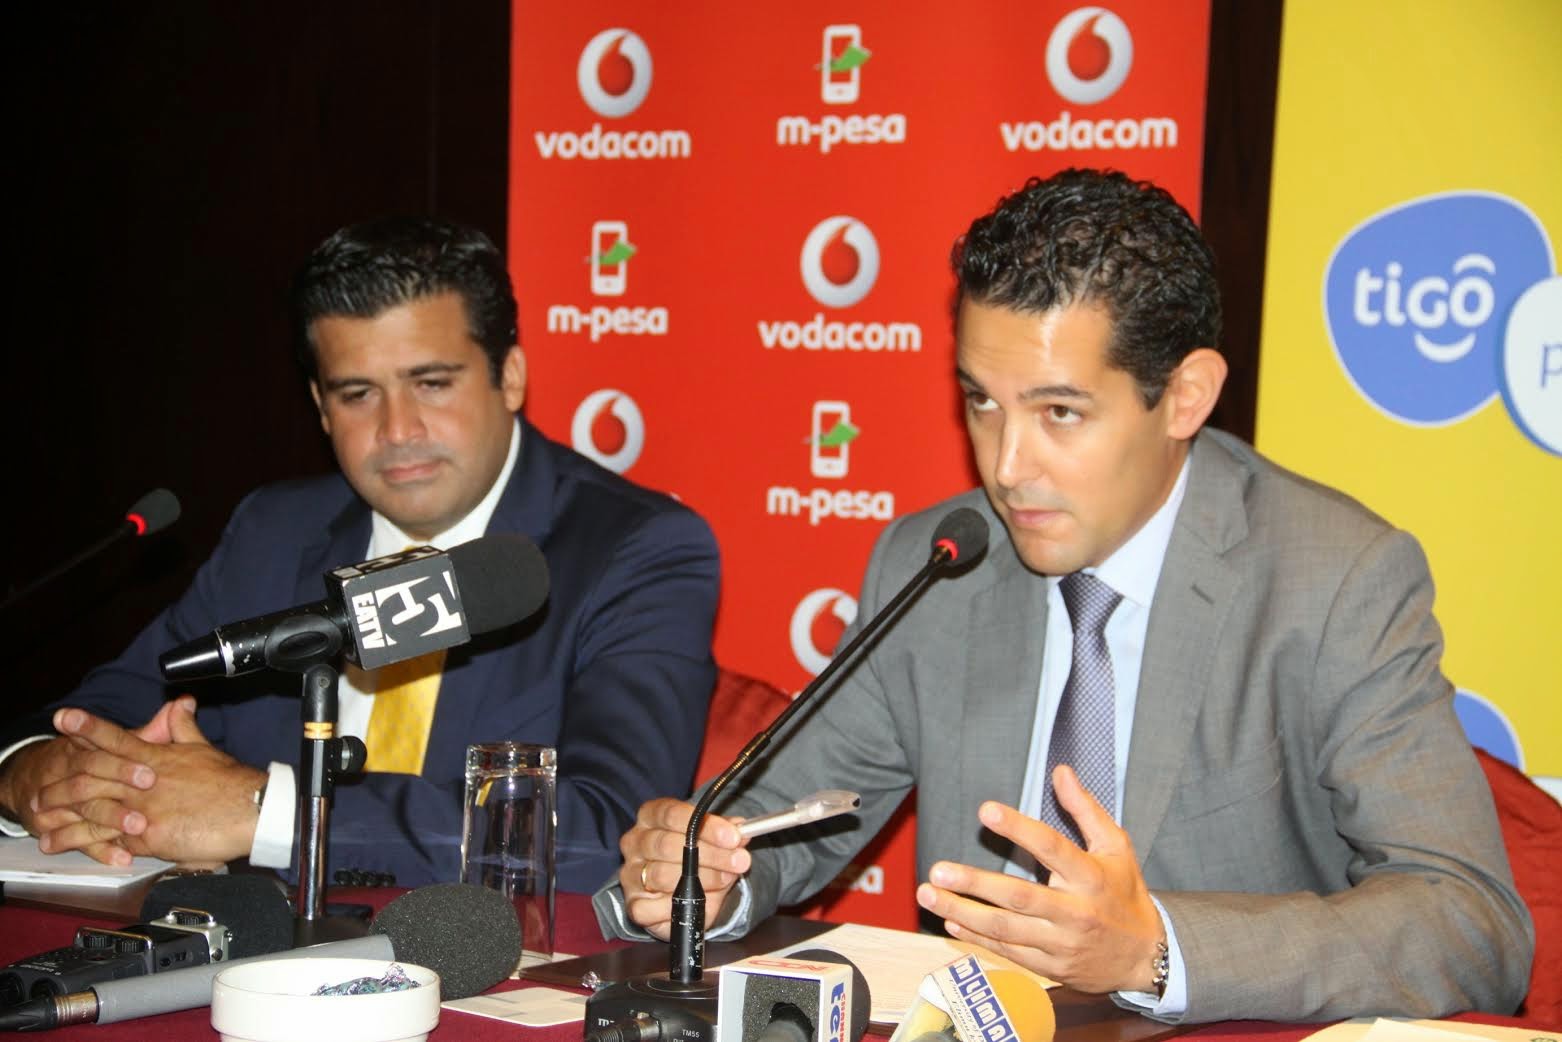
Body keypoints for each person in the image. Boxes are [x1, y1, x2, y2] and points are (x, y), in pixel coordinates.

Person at [597, 170, 1533, 1022]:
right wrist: (706, 876)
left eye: (1059, 412)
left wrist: (1156, 949)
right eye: (981, 401)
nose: (1007, 467)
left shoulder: (1333, 580)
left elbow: (1471, 922)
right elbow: (774, 821)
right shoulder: (939, 562)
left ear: (1186, 396)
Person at [0, 217, 721, 891]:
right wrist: (31, 773)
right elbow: (111, 707)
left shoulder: (636, 549)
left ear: (509, 377)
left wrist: (270, 811)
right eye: (357, 395)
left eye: (431, 383)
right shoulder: (276, 529)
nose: (397, 429)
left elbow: (612, 833)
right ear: (320, 407)